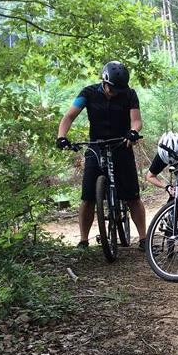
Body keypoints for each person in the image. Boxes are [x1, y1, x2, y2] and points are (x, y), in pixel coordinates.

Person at [56, 61, 147, 250]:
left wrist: (133, 132)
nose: (116, 93)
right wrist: (62, 136)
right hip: (95, 146)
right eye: (113, 89)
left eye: (119, 90)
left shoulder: (129, 94)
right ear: (104, 82)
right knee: (88, 196)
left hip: (122, 144)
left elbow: (136, 120)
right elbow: (69, 116)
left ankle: (143, 238)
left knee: (132, 196)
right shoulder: (88, 93)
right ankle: (83, 240)